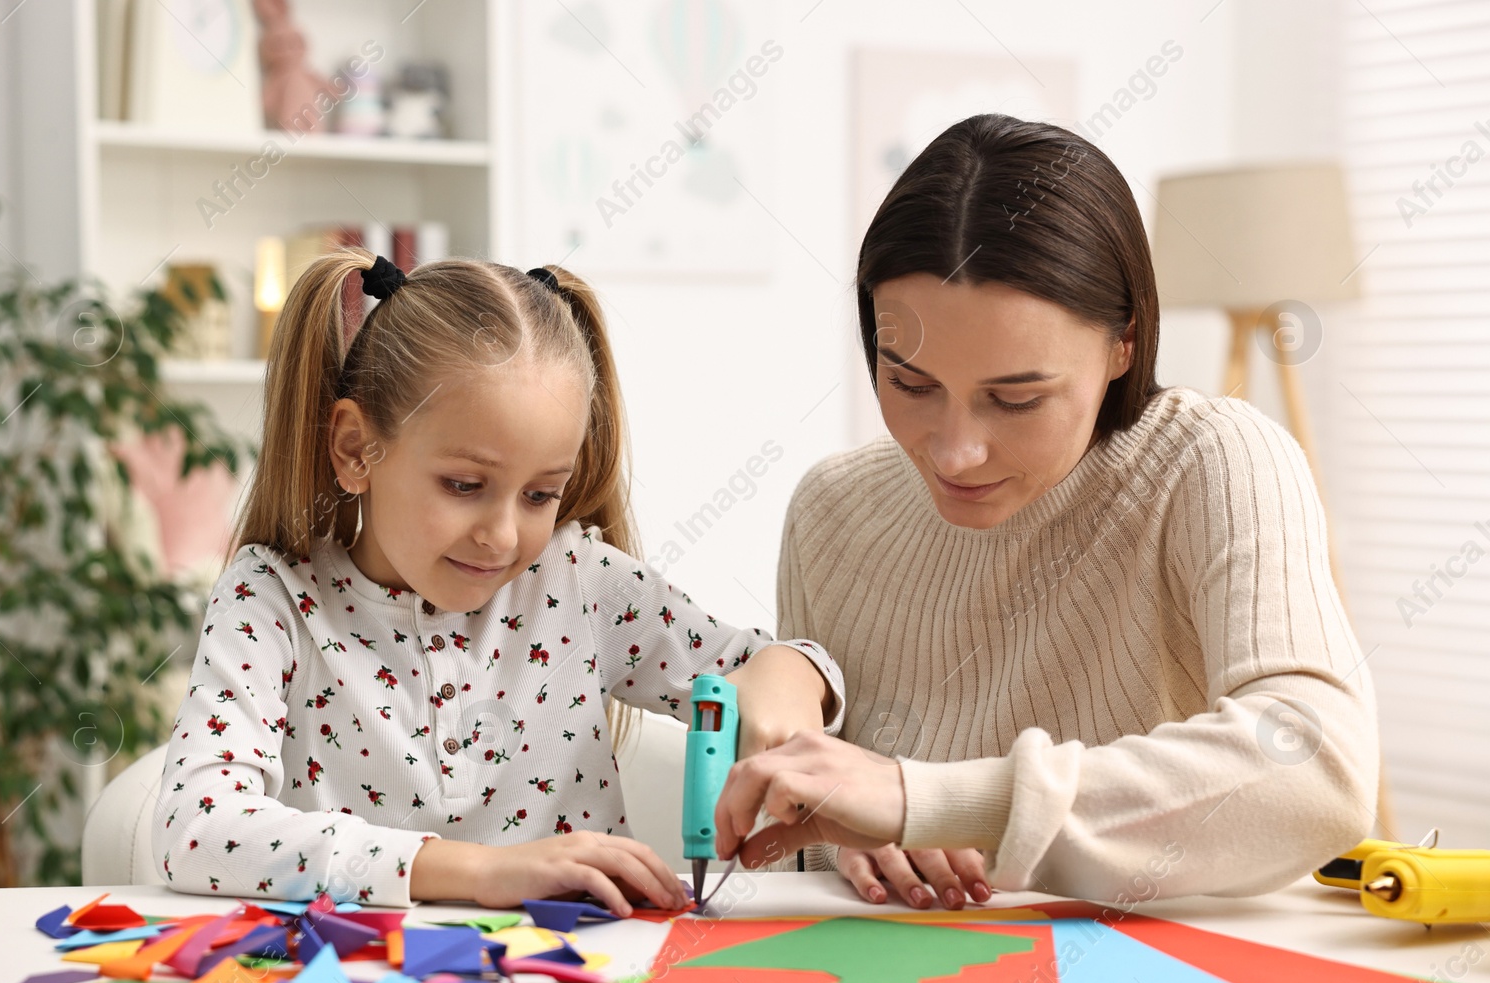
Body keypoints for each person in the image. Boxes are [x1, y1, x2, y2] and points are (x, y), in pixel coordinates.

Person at [714, 113, 1378, 909]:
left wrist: (924, 799)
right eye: (911, 383)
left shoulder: (1213, 461)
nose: (955, 451)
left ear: (1123, 344)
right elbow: (825, 829)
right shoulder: (832, 510)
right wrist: (832, 833)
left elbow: (1317, 770)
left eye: (1016, 397)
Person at [154, 253, 843, 914]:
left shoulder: (583, 581)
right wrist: (482, 872)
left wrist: (787, 674)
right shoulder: (271, 599)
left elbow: (770, 669)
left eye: (542, 494)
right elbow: (196, 826)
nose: (505, 535)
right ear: (355, 448)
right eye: (464, 485)